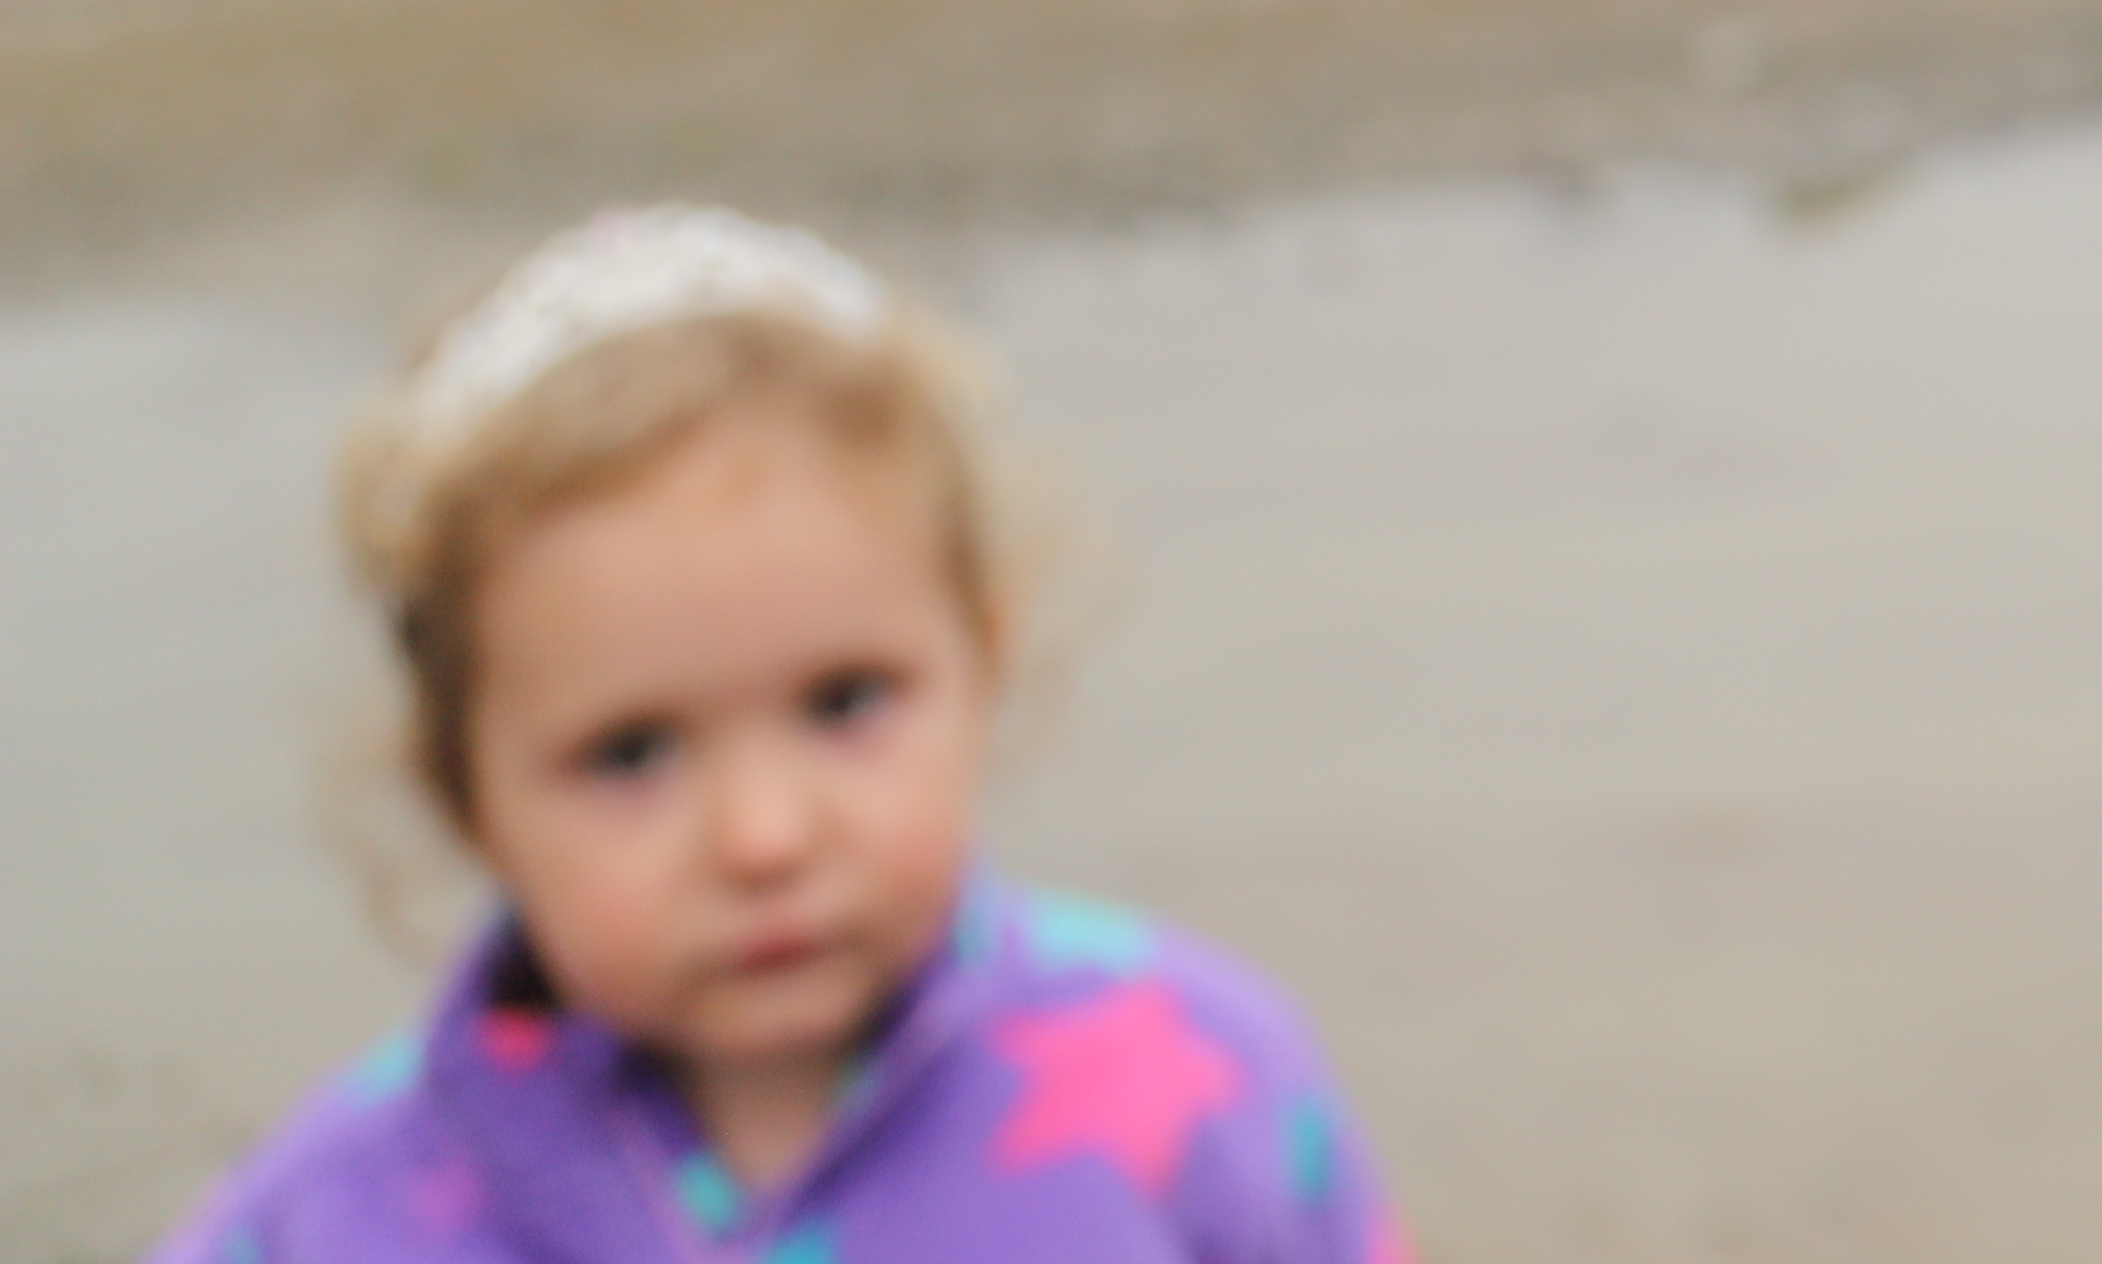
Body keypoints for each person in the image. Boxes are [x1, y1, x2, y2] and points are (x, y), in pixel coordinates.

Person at [146, 206, 1408, 1264]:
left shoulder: (1193, 1077)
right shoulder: (335, 1218)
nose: (764, 835)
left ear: (984, 657)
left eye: (847, 701)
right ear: (462, 786)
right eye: (630, 752)